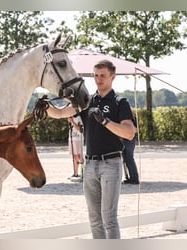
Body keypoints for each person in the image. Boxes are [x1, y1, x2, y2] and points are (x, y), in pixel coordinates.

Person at [43, 59, 136, 239]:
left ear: (112, 77)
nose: (98, 79)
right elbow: (62, 113)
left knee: (109, 218)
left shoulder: (120, 102)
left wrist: (105, 121)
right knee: (94, 219)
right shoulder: (86, 101)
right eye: (95, 75)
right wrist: (45, 107)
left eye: (103, 76)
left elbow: (129, 133)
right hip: (90, 165)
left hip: (111, 163)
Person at [122, 116, 140, 184]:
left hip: (129, 140)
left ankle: (135, 178)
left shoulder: (132, 117)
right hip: (123, 139)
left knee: (129, 159)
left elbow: (136, 129)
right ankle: (129, 177)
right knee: (125, 159)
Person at [67, 114, 84, 182]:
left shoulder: (79, 118)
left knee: (78, 156)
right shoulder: (71, 117)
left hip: (78, 138)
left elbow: (79, 129)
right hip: (72, 138)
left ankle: (83, 171)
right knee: (74, 156)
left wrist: (72, 122)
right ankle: (75, 173)